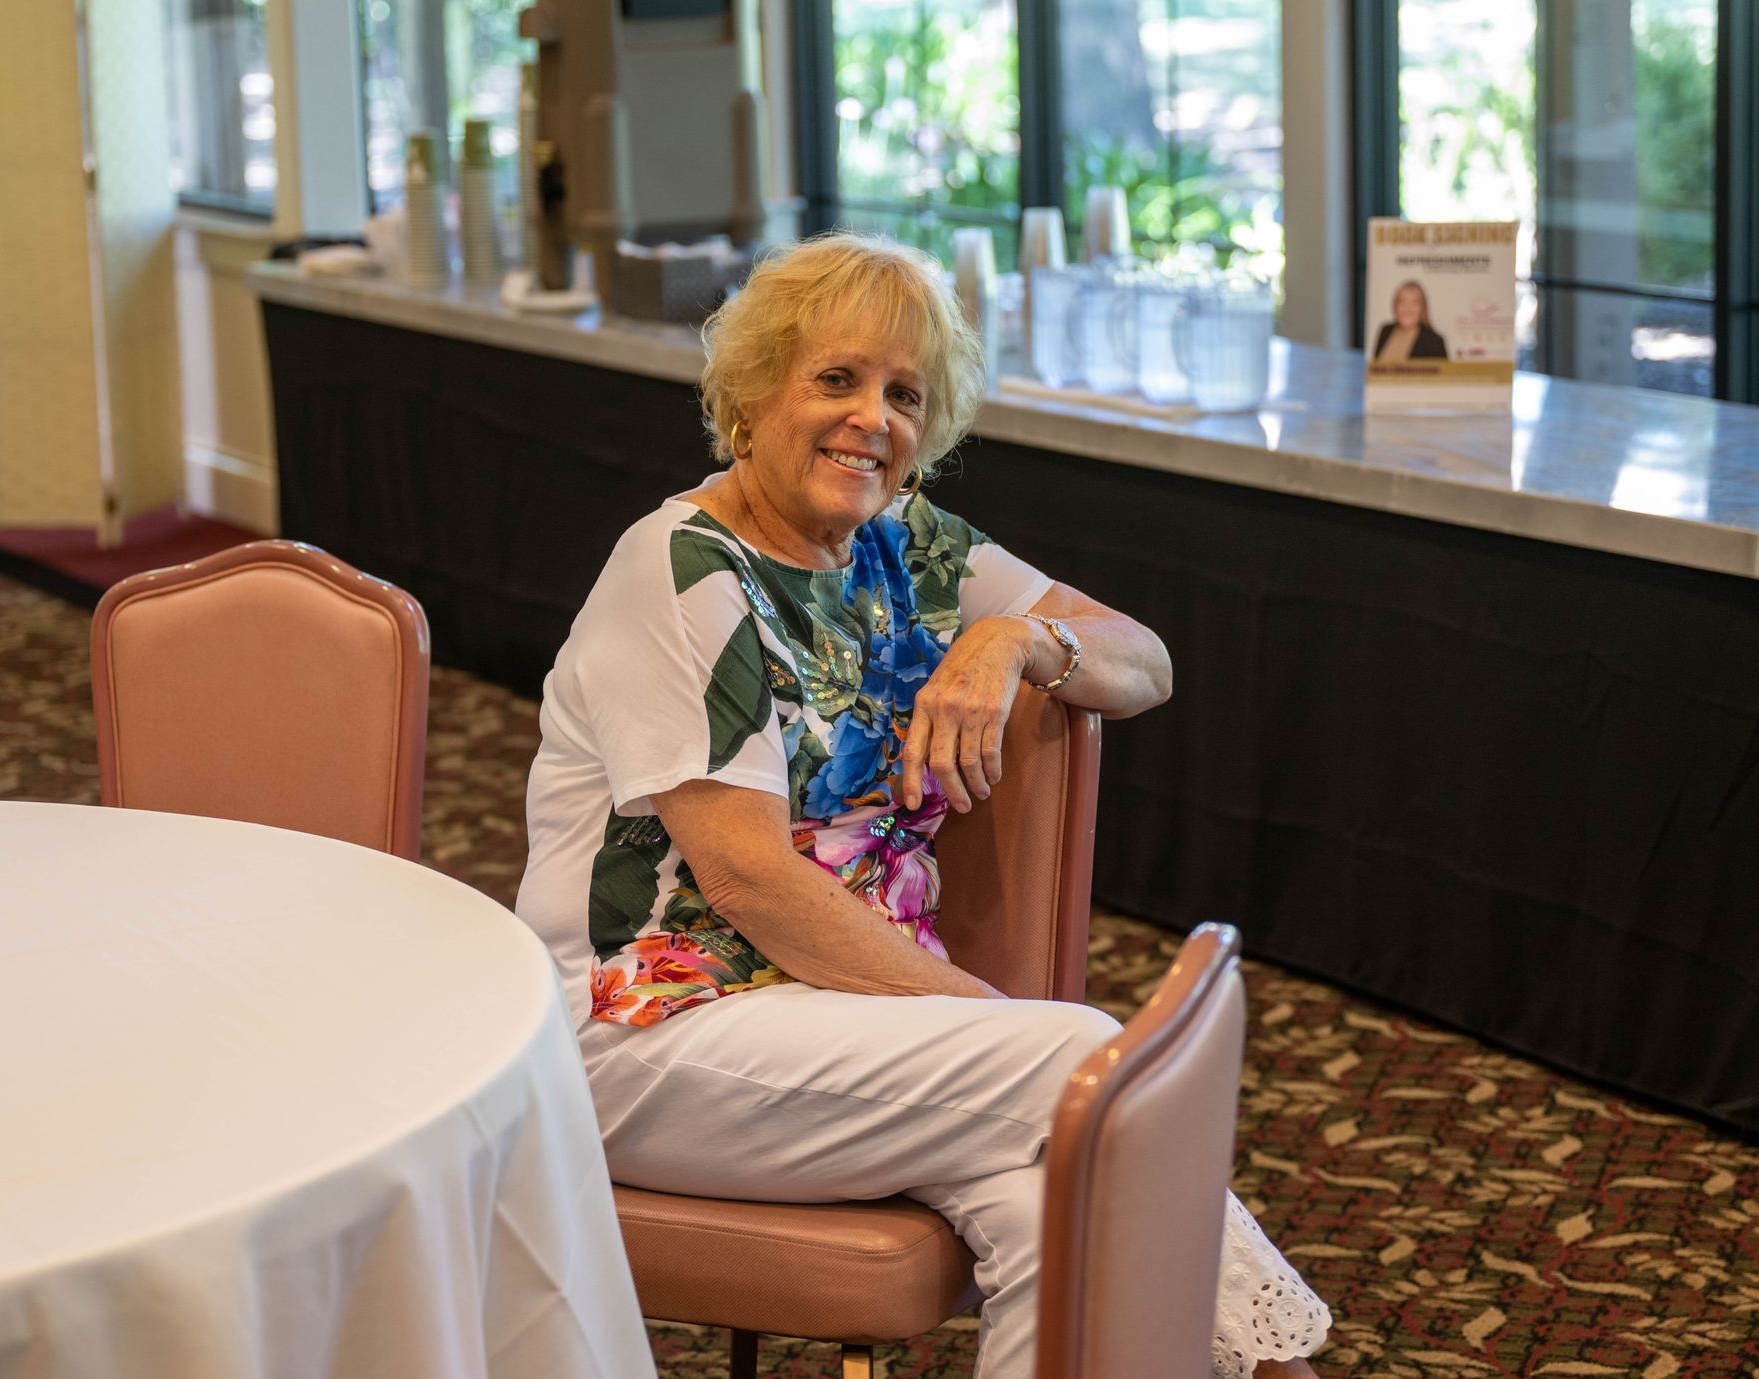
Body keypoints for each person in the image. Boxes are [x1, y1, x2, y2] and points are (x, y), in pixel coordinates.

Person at [516, 233, 1331, 1379]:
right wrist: (989, 1023)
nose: (872, 418)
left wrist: (1016, 636)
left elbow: (1144, 661)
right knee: (1081, 1068)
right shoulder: (682, 569)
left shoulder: (902, 547)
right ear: (752, 397)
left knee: (1052, 1189)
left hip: (830, 1011)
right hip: (645, 1023)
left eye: (905, 393)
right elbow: (749, 879)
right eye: (835, 378)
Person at [1371, 279, 1449, 361]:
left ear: (1423, 308)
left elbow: (1444, 373)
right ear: (1395, 306)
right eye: (1402, 302)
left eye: (1414, 303)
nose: (1407, 309)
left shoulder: (1434, 341)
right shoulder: (1385, 331)